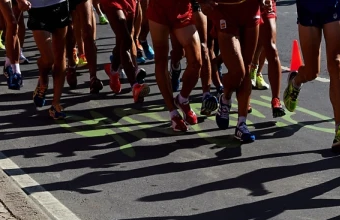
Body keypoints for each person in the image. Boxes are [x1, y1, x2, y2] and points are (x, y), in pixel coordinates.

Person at [282, 0, 340, 151]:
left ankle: (339, 128)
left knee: (336, 62)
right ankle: (296, 81)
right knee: (312, 72)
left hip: (333, 5)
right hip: (309, 7)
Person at [207, 0, 261, 141]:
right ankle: (225, 97)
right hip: (225, 11)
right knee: (238, 71)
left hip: (251, 8)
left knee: (247, 67)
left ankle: (241, 124)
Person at [146, 0, 202, 131]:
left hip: (182, 9)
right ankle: (173, 112)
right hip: (159, 9)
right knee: (161, 60)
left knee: (196, 61)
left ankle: (182, 99)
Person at [20, 0, 72, 120]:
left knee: (60, 55)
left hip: (60, 4)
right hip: (37, 8)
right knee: (49, 59)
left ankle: (55, 104)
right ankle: (43, 79)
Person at [99, 0, 150, 102]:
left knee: (122, 42)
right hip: (113, 3)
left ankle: (113, 70)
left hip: (129, 2)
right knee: (126, 40)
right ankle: (135, 85)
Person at [251, 0, 285, 117]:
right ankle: (235, 98)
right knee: (246, 49)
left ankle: (276, 100)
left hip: (266, 4)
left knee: (270, 46)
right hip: (244, 5)